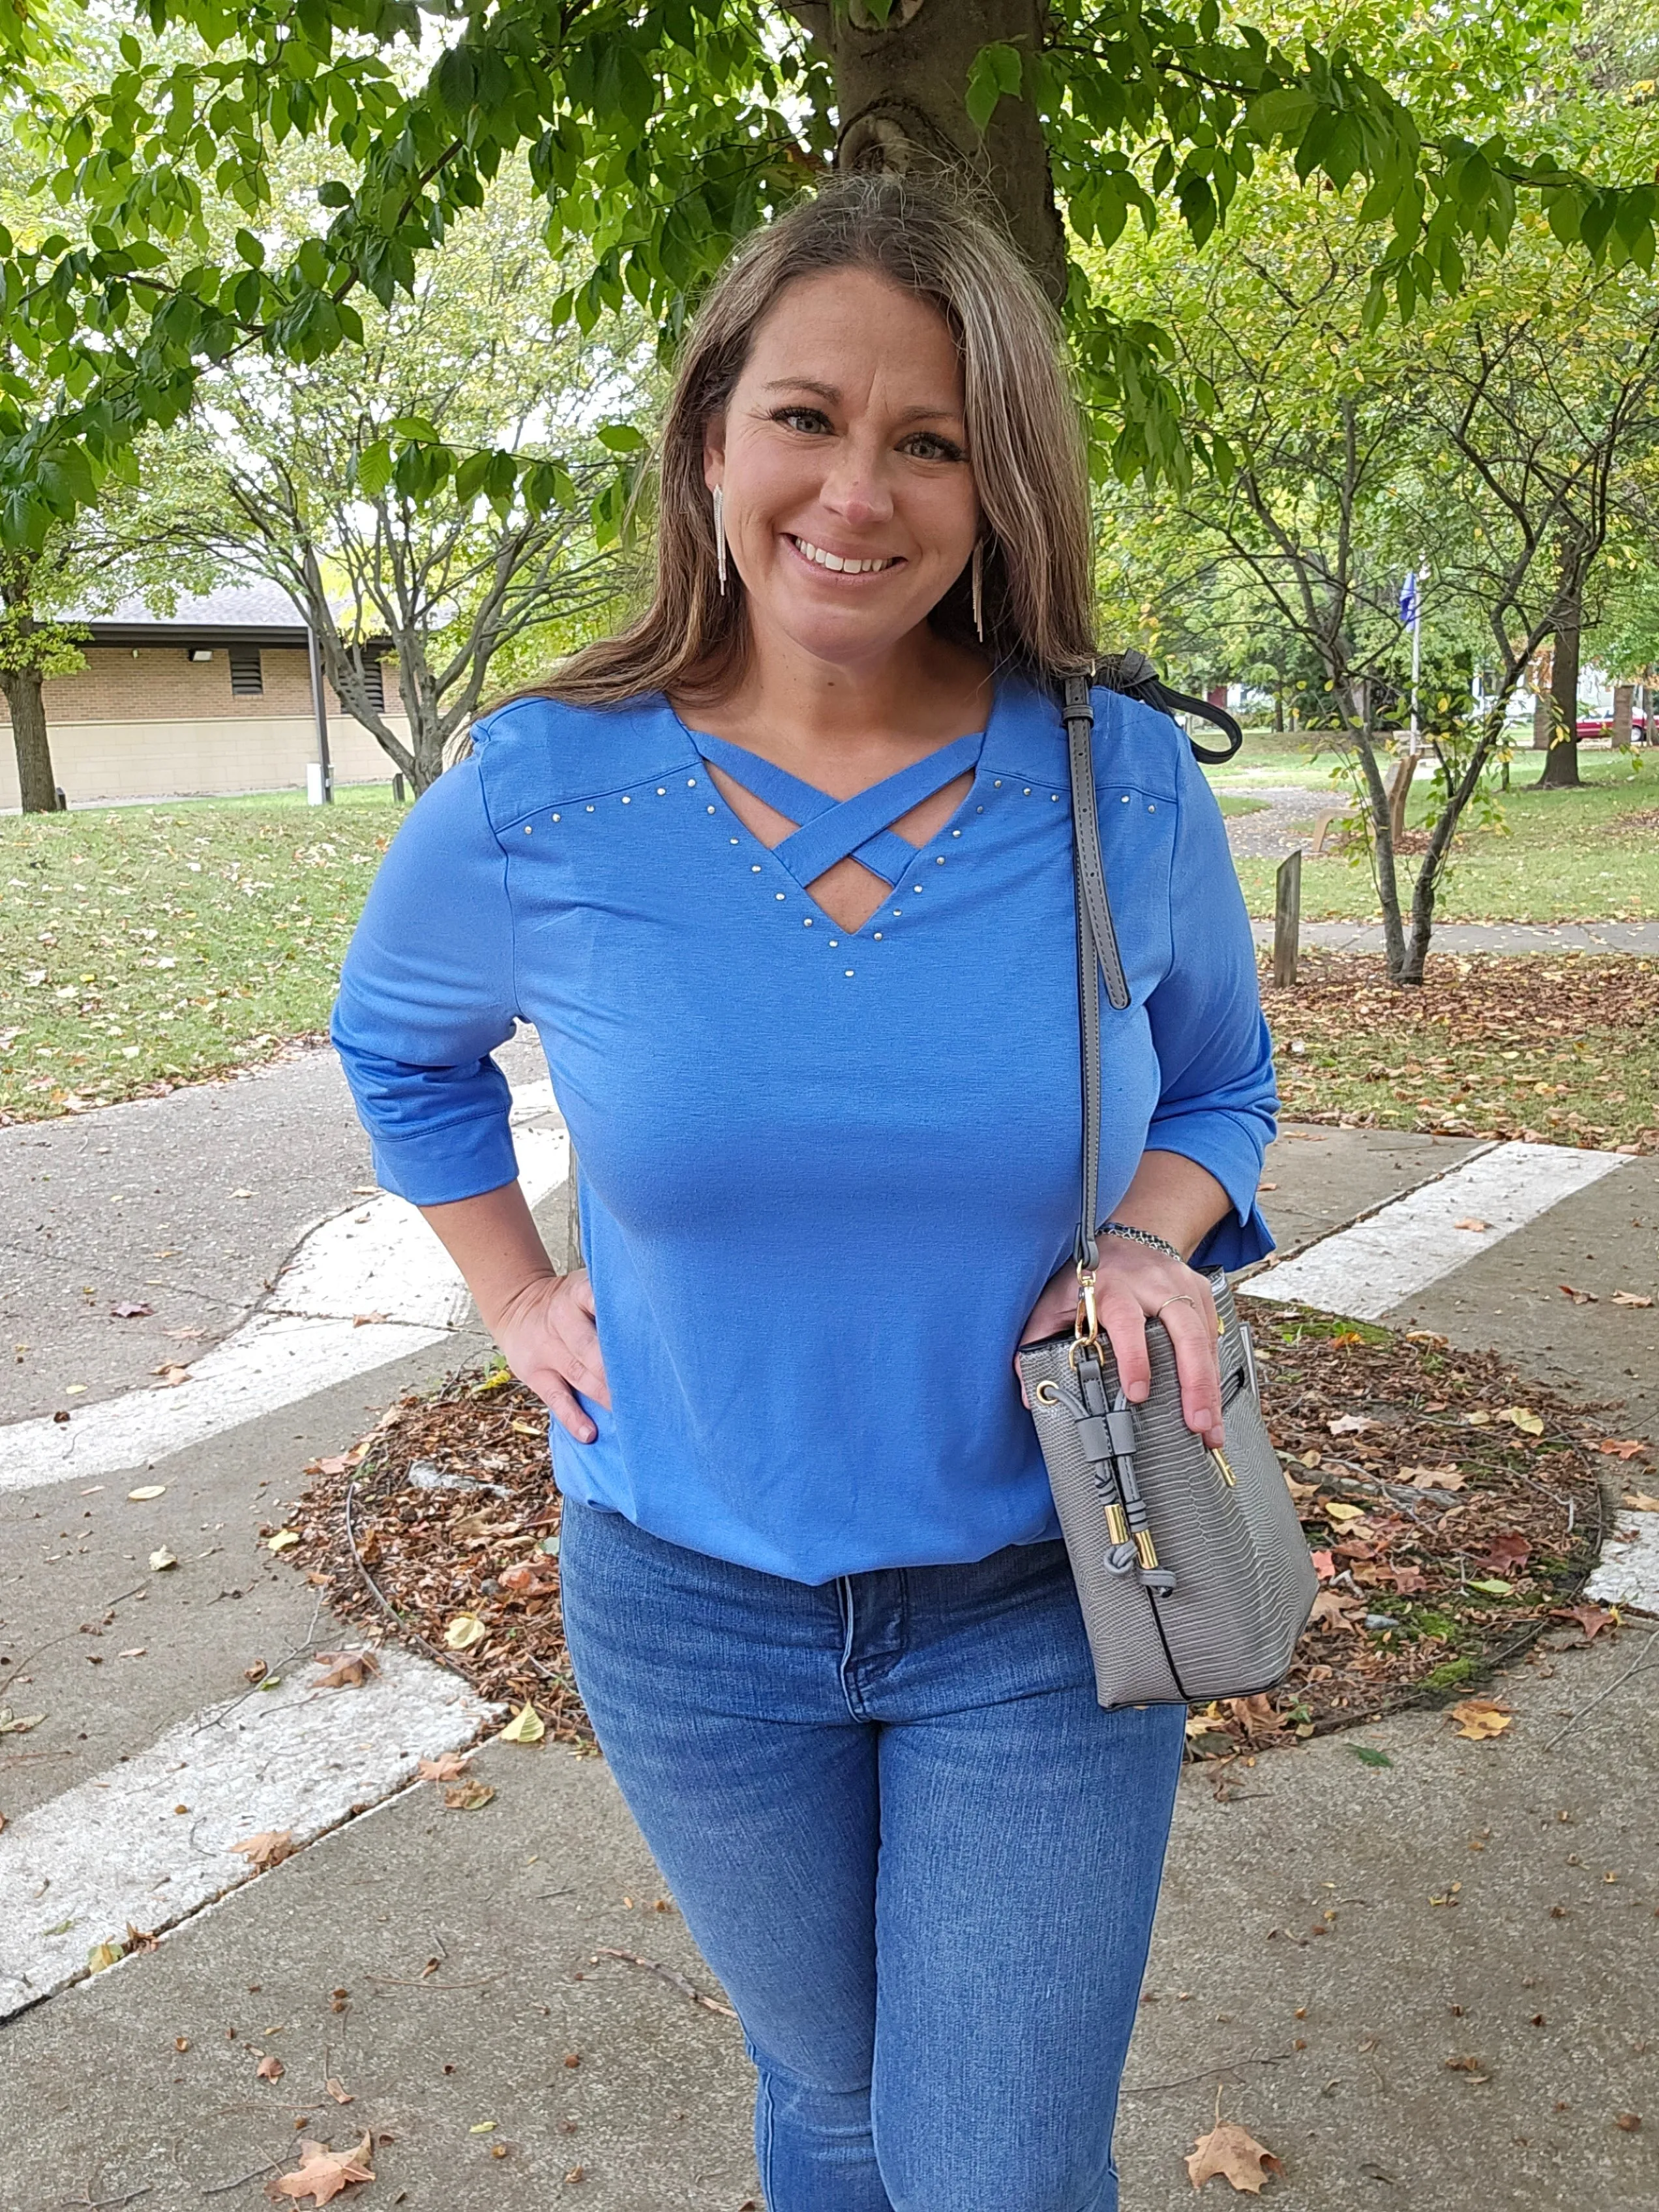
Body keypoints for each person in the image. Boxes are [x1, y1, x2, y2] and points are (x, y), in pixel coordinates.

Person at [333, 175, 1276, 2212]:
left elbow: (1223, 1084)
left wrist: (1149, 1236)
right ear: (708, 436)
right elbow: (396, 1049)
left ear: (997, 479)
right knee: (835, 2107)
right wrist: (509, 1293)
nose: (860, 490)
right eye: (807, 417)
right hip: (686, 1610)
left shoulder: (1121, 783)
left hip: (1045, 1593)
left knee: (994, 2168)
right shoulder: (541, 792)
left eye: (930, 439)